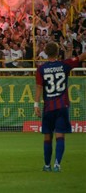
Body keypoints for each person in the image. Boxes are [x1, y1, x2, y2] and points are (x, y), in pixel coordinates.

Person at [34, 42, 86, 172]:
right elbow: (81, 57)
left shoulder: (41, 69)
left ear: (45, 52)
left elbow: (39, 87)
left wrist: (36, 104)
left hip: (48, 107)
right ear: (58, 52)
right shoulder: (64, 65)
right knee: (60, 135)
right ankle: (57, 164)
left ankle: (47, 166)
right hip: (62, 105)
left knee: (47, 136)